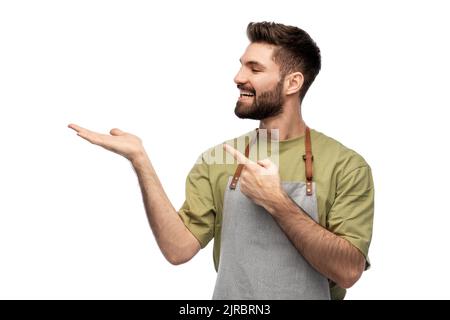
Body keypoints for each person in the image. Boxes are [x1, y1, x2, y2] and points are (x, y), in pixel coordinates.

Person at [68, 21, 374, 300]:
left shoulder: (345, 166)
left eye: (255, 69)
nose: (238, 78)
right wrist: (140, 160)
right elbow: (178, 249)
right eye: (241, 66)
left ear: (292, 83)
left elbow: (348, 271)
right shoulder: (218, 158)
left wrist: (277, 202)